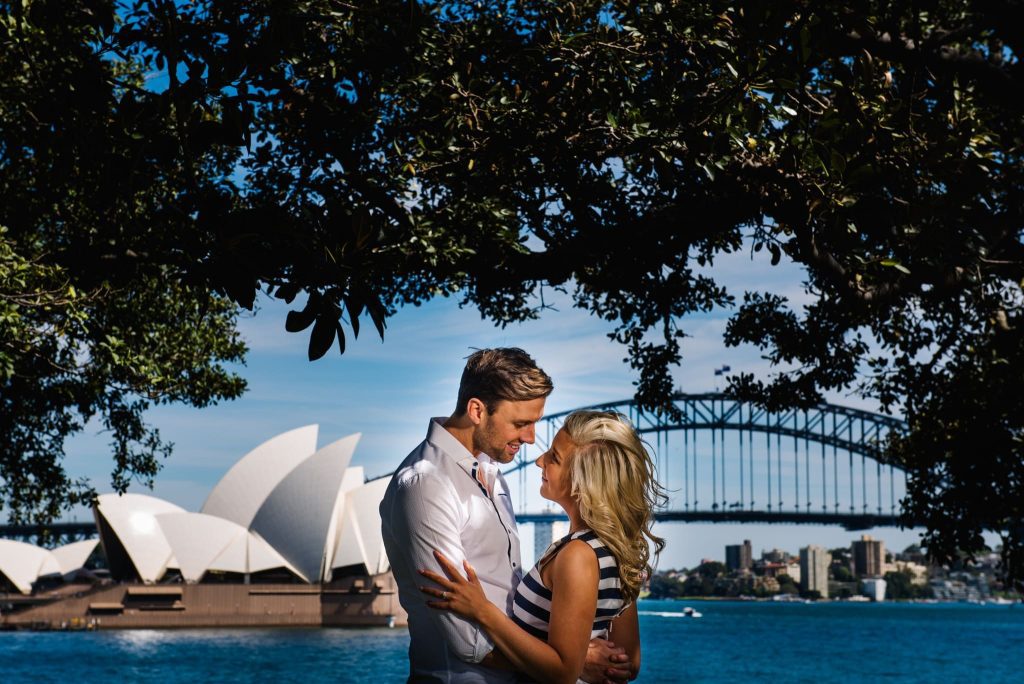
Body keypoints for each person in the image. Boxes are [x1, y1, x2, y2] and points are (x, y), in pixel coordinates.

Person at [380, 348, 634, 683]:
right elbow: (467, 641)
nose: (530, 439)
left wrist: (566, 655)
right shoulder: (426, 485)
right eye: (520, 423)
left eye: (534, 423)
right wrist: (573, 658)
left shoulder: (489, 469)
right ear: (477, 411)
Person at [418, 410, 666, 684]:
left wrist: (482, 610)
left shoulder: (577, 556)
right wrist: (586, 656)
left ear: (584, 482)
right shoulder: (612, 551)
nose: (539, 461)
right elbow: (629, 662)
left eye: (554, 458)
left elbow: (562, 673)